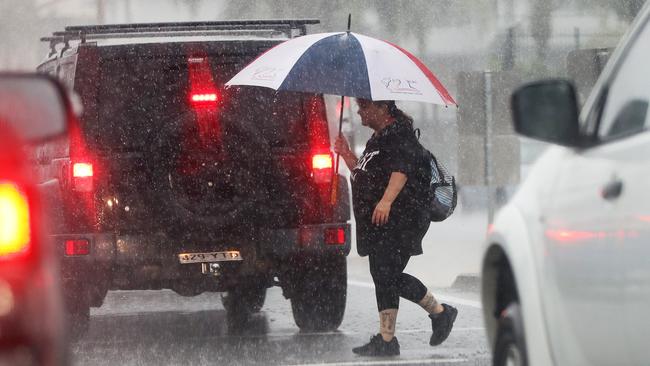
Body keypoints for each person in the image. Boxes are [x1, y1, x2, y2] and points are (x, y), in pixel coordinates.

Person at [334, 98, 458, 357]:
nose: (359, 111)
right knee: (382, 275)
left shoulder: (399, 134)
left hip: (402, 219)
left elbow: (402, 170)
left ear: (382, 109)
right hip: (380, 222)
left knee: (387, 274)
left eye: (364, 106)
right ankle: (387, 339)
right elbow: (363, 174)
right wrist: (346, 153)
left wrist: (386, 201)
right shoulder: (377, 140)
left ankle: (440, 313)